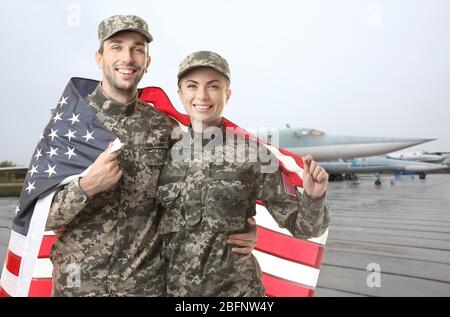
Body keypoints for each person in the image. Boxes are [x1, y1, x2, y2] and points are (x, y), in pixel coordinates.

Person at [45, 16, 257, 297]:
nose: (128, 58)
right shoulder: (69, 122)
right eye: (117, 47)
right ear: (99, 58)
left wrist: (239, 230)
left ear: (147, 61)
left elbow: (193, 194)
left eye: (138, 49)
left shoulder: (164, 127)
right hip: (80, 284)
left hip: (144, 285)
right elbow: (39, 217)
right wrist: (86, 186)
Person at [156, 51, 331, 296]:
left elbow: (304, 228)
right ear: (181, 95)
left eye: (213, 86)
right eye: (192, 86)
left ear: (227, 94)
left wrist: (314, 197)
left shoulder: (253, 155)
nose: (202, 96)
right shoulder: (164, 155)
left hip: (236, 293)